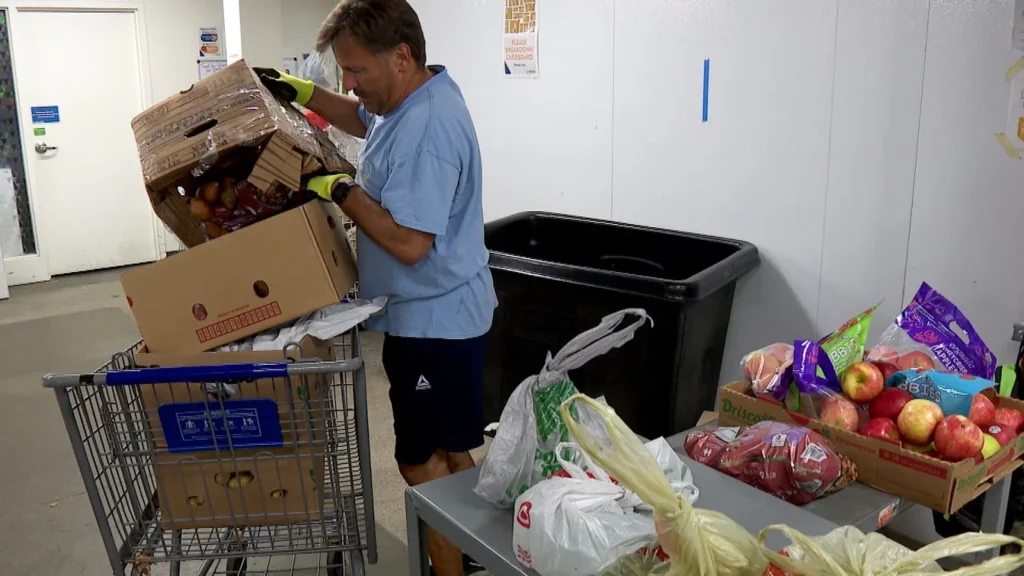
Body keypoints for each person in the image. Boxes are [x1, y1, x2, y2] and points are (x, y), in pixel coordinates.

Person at [254, 1, 495, 575]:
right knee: (447, 447)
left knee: (415, 460)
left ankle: (450, 568)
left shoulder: (430, 130)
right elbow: (368, 121)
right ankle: (478, 549)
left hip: (435, 324)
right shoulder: (411, 96)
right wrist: (302, 93)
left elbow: (411, 244)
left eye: (357, 72)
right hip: (432, 313)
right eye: (344, 74)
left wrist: (337, 189)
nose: (352, 86)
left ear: (402, 55)